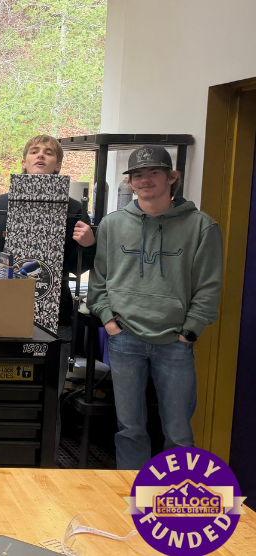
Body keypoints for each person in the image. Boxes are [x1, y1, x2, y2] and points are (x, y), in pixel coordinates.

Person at [88, 146, 223, 470]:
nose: (144, 180)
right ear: (130, 182)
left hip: (175, 342)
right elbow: (99, 279)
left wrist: (189, 332)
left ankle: (176, 496)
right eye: (137, 174)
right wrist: (109, 321)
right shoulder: (111, 224)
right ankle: (132, 493)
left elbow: (209, 285)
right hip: (125, 338)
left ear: (171, 178)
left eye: (154, 172)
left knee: (178, 433)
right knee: (129, 429)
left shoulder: (202, 227)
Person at [0, 135, 96, 454]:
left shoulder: (74, 209)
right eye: (34, 152)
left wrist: (89, 244)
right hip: (4, 316)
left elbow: (79, 266)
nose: (41, 156)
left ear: (58, 164)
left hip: (56, 319)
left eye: (49, 153)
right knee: (2, 393)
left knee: (50, 397)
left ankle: (47, 465)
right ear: (24, 161)